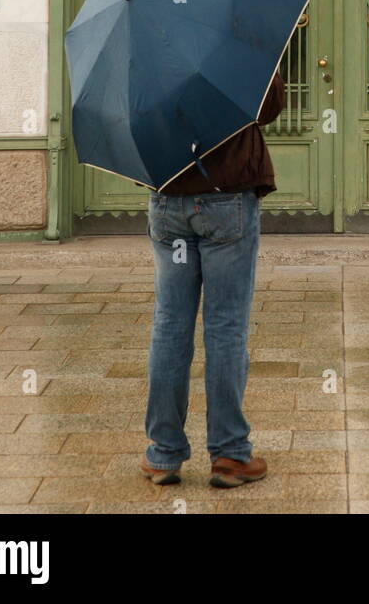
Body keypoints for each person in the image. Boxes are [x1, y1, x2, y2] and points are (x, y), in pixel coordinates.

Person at [141, 70, 285, 489]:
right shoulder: (233, 34)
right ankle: (229, 454)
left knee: (170, 325)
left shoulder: (148, 43)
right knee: (225, 326)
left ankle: (163, 453)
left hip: (168, 197)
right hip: (226, 196)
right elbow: (269, 106)